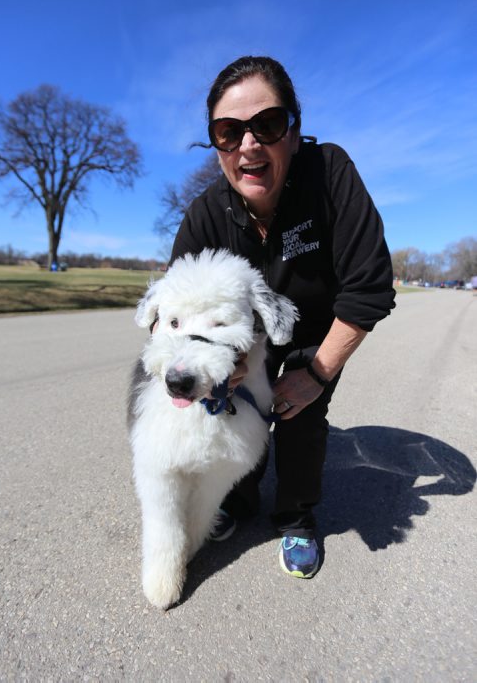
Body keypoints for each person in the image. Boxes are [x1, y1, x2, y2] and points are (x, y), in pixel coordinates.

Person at [169, 55, 396, 578]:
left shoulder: (330, 173)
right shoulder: (206, 213)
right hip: (239, 342)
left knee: (299, 418)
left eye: (267, 125)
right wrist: (212, 365)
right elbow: (174, 303)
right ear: (218, 146)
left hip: (316, 333)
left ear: (293, 132)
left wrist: (317, 373)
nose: (249, 144)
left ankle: (295, 515)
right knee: (233, 414)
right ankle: (240, 496)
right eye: (229, 131)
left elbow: (370, 286)